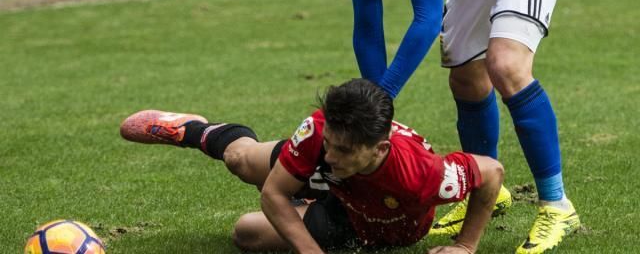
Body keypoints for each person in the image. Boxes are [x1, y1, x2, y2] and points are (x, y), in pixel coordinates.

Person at [294, 0, 580, 253]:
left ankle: (557, 205)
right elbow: (368, 25)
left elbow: (426, 20)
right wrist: (374, 113)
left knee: (506, 66)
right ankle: (489, 191)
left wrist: (381, 99)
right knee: (464, 77)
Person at [120, 79, 503, 253]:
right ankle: (192, 130)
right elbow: (273, 192)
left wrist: (465, 246)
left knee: (245, 233)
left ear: (379, 148)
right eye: (330, 145)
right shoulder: (322, 133)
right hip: (342, 188)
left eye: (344, 151)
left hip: (367, 225)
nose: (331, 157)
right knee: (239, 160)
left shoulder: (424, 175)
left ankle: (310, 214)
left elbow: (492, 173)